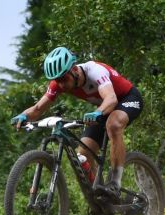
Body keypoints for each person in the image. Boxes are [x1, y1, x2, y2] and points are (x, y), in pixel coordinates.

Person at [10, 46, 143, 198]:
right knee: (83, 155)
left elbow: (111, 99)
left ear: (74, 70)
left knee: (113, 125)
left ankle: (115, 183)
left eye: (64, 79)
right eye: (57, 80)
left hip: (127, 99)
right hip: (103, 108)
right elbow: (38, 108)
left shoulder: (95, 71)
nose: (61, 85)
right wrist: (23, 116)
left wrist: (98, 112)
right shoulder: (59, 83)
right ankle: (101, 198)